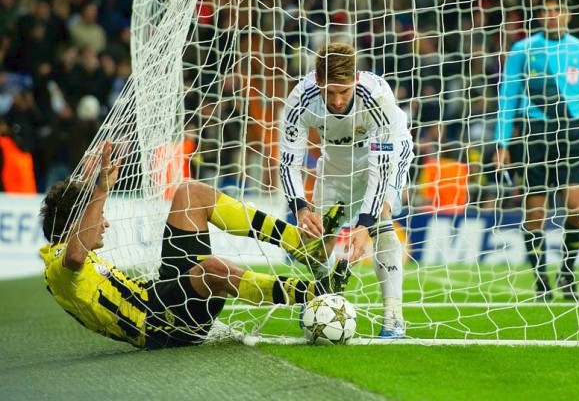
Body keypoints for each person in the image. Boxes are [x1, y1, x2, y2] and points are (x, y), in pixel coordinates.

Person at [39, 141, 349, 349]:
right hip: (160, 325)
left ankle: (297, 242)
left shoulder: (70, 257)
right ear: (73, 226)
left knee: (191, 194)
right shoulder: (58, 267)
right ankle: (314, 291)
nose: (104, 223)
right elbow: (76, 256)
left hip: (159, 293)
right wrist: (100, 190)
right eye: (97, 217)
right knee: (211, 269)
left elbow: (80, 252)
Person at [279, 42, 414, 338]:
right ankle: (322, 296)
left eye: (344, 91)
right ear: (318, 82)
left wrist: (364, 225)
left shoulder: (377, 97)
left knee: (381, 218)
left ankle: (393, 316)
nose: (338, 101)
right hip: (336, 161)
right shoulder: (301, 99)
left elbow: (380, 170)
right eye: (330, 92)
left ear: (354, 81)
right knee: (317, 232)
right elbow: (289, 163)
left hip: (386, 155)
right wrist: (300, 208)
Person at [494, 0, 579, 302]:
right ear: (540, 16)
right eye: (547, 10)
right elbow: (508, 98)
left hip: (574, 131)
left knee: (576, 205)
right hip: (536, 133)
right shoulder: (523, 50)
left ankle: (568, 273)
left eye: (558, 9)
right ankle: (542, 280)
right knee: (535, 213)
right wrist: (502, 143)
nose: (552, 15)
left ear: (568, 15)